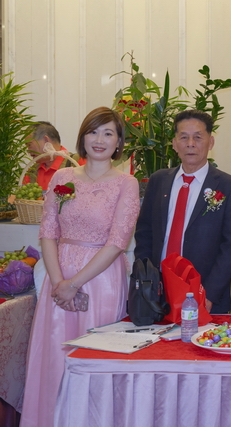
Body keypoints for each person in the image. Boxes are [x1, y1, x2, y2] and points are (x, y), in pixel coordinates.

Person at [21, 107, 140, 427]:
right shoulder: (62, 177)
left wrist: (74, 284)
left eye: (108, 133)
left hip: (101, 279)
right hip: (58, 278)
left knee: (96, 356)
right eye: (93, 131)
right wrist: (59, 282)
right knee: (55, 355)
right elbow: (48, 233)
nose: (99, 139)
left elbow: (117, 242)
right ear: (82, 137)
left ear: (119, 142)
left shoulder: (126, 183)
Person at [134, 109, 231, 314]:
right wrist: (148, 279)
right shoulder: (159, 180)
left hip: (204, 293)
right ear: (174, 144)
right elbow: (144, 233)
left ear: (210, 142)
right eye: (184, 137)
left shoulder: (229, 186)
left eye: (198, 137)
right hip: (157, 291)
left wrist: (209, 294)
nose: (190, 144)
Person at [23, 121, 85, 190]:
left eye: (29, 145)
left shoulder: (79, 162)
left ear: (46, 140)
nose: (28, 150)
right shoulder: (32, 172)